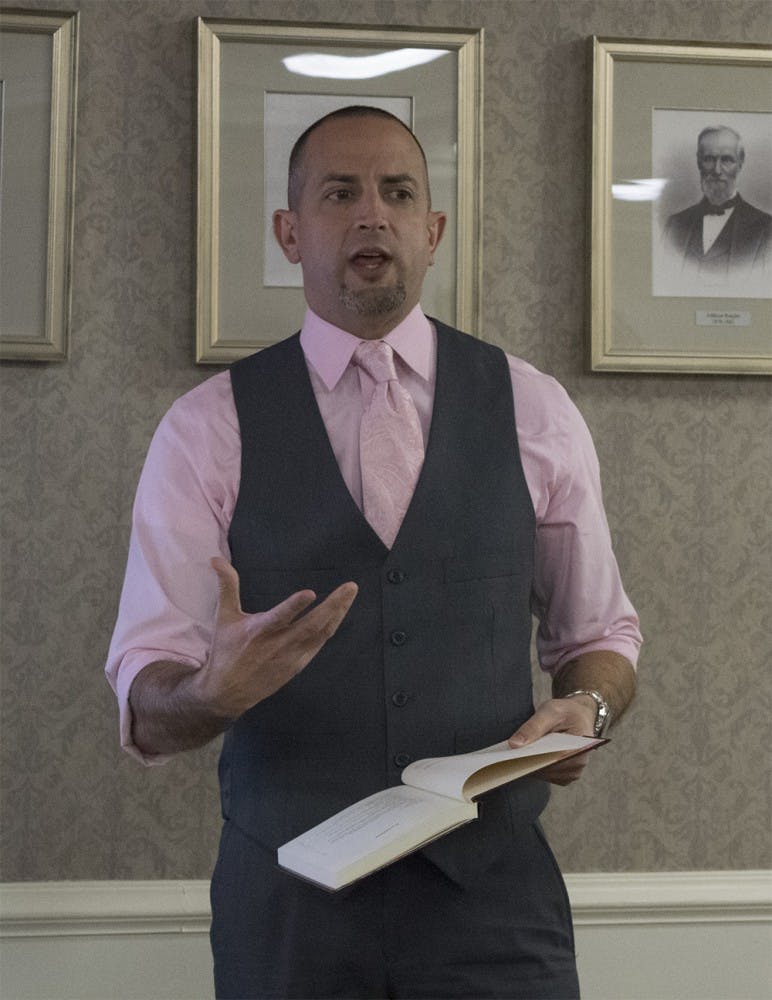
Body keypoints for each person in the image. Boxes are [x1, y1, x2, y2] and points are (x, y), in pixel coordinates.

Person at [106, 106, 641, 999]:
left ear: (431, 233)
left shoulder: (534, 408)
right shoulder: (206, 431)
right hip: (288, 909)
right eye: (339, 193)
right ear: (289, 231)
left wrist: (587, 706)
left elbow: (603, 633)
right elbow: (146, 691)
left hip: (495, 909)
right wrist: (206, 694)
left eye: (398, 193)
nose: (371, 215)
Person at [663, 125, 771, 276]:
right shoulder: (674, 225)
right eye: (709, 159)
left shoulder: (767, 229)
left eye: (727, 160)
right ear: (699, 162)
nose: (717, 170)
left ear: (740, 163)